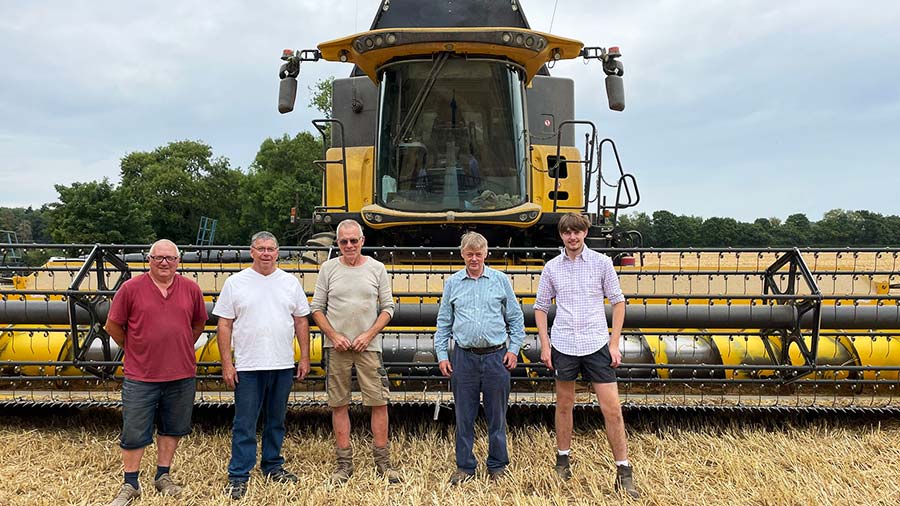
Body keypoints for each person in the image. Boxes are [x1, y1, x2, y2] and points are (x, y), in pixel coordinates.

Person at [533, 213, 640, 498]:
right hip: (565, 344)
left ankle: (623, 470)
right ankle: (562, 461)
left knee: (612, 408)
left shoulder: (602, 263)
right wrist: (546, 345)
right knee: (565, 405)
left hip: (596, 344)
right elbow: (541, 307)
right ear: (561, 236)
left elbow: (618, 303)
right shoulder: (552, 268)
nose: (572, 237)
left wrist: (613, 343)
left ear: (585, 233)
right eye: (567, 233)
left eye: (577, 232)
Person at [104, 239, 208, 506]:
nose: (164, 262)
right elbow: (113, 326)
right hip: (141, 375)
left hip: (181, 372)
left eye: (170, 258)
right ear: (148, 260)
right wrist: (133, 347)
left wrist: (180, 343)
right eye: (158, 257)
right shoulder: (130, 289)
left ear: (178, 261)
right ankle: (130, 483)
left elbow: (197, 324)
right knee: (134, 430)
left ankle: (163, 475)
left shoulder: (191, 289)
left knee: (172, 427)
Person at [213, 231, 311, 500]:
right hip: (248, 365)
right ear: (251, 251)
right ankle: (238, 475)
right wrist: (227, 363)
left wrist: (304, 357)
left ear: (277, 252)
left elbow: (302, 320)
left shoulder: (290, 283)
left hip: (281, 364)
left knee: (276, 420)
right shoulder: (236, 283)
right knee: (244, 422)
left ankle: (272, 465)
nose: (266, 253)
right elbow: (224, 324)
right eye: (261, 249)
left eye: (271, 249)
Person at [310, 219, 400, 484]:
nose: (349, 245)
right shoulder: (328, 269)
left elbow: (388, 308)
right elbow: (317, 308)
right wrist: (334, 335)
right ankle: (344, 465)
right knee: (339, 404)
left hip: (369, 347)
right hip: (336, 348)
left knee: (378, 402)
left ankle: (383, 463)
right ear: (337, 243)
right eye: (343, 241)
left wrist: (368, 334)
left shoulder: (377, 268)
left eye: (353, 240)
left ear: (362, 241)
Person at [434, 231, 525, 484]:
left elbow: (516, 319)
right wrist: (443, 355)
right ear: (462, 254)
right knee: (464, 417)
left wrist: (513, 349)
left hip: (497, 357)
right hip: (464, 358)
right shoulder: (452, 283)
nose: (474, 258)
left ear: (486, 253)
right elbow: (443, 323)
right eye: (469, 254)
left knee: (497, 417)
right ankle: (465, 467)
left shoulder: (500, 280)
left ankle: (497, 465)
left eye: (478, 253)